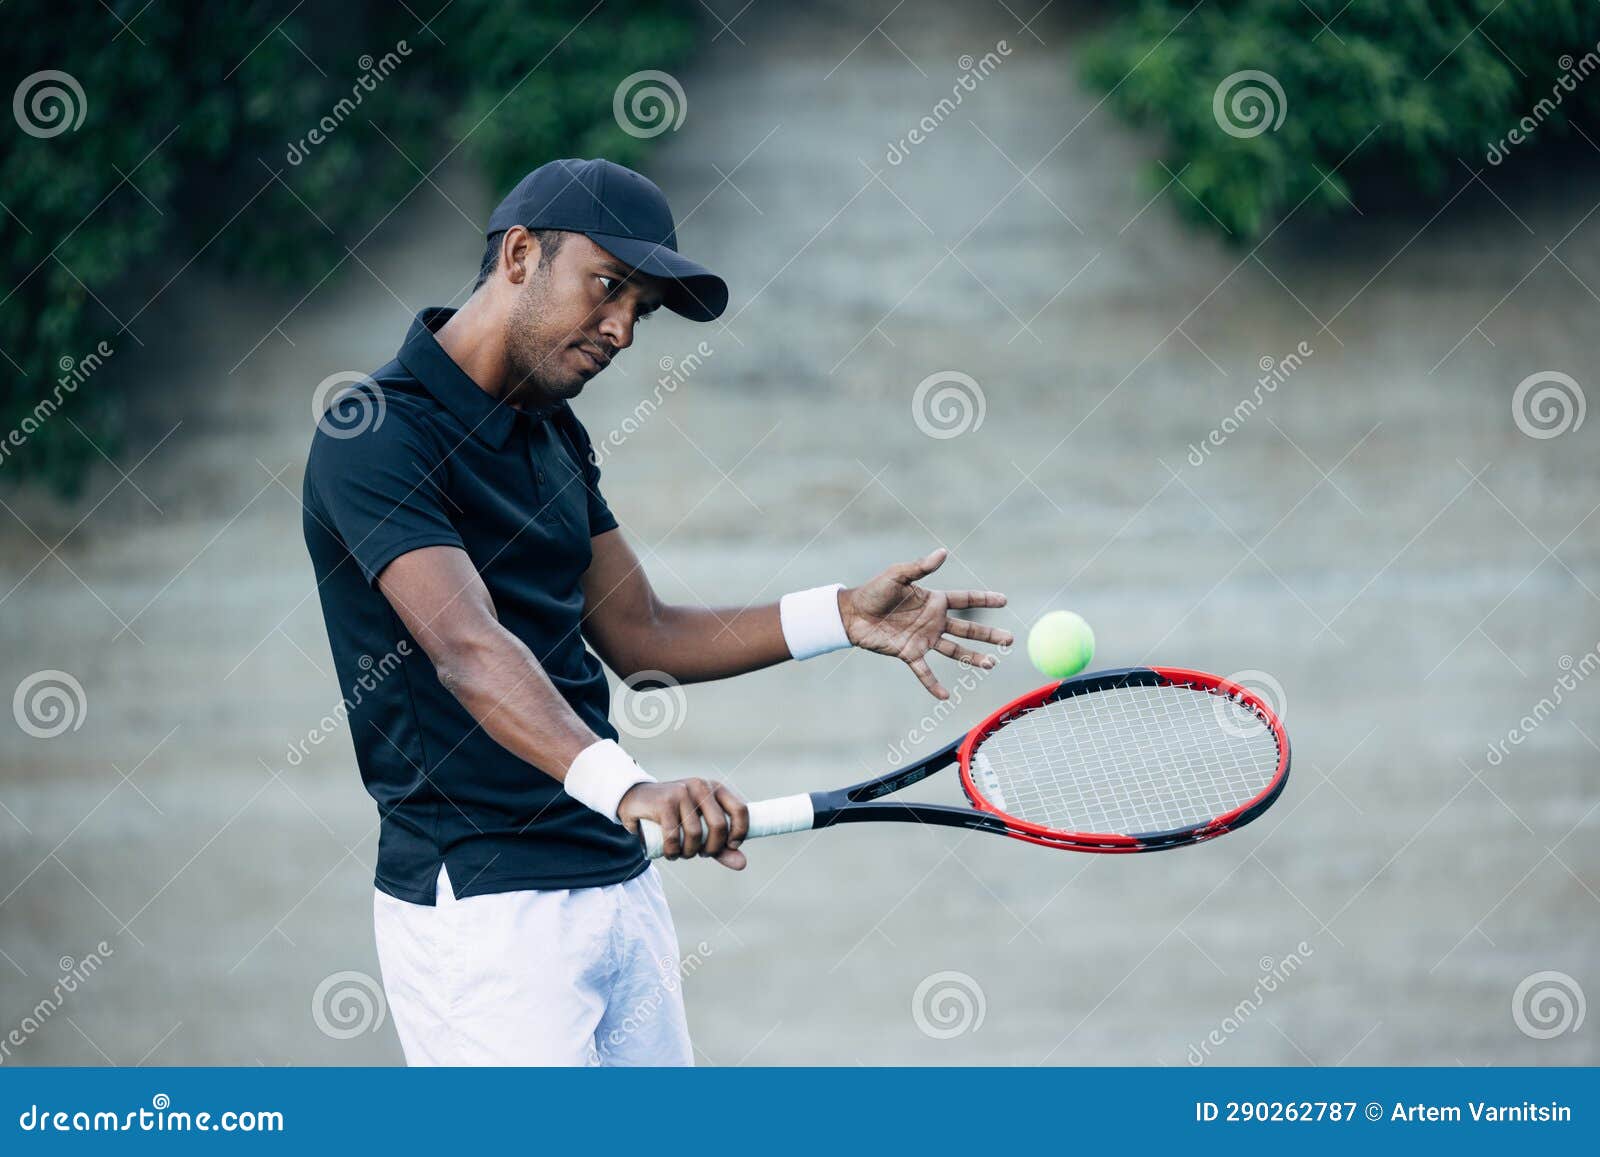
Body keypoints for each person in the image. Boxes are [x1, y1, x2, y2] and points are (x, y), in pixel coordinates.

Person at [301, 157, 1013, 1065]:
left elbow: (642, 630)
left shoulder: (553, 431)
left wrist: (840, 614)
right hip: (484, 909)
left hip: (617, 881)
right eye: (609, 288)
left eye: (640, 309)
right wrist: (630, 787)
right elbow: (468, 648)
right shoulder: (375, 431)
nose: (623, 330)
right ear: (519, 254)